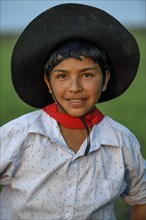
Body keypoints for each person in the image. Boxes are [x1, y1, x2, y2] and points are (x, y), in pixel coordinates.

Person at [0, 3, 145, 220]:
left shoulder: (122, 142)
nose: (74, 87)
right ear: (48, 83)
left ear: (105, 80)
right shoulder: (17, 135)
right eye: (61, 76)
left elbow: (141, 199)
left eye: (87, 75)